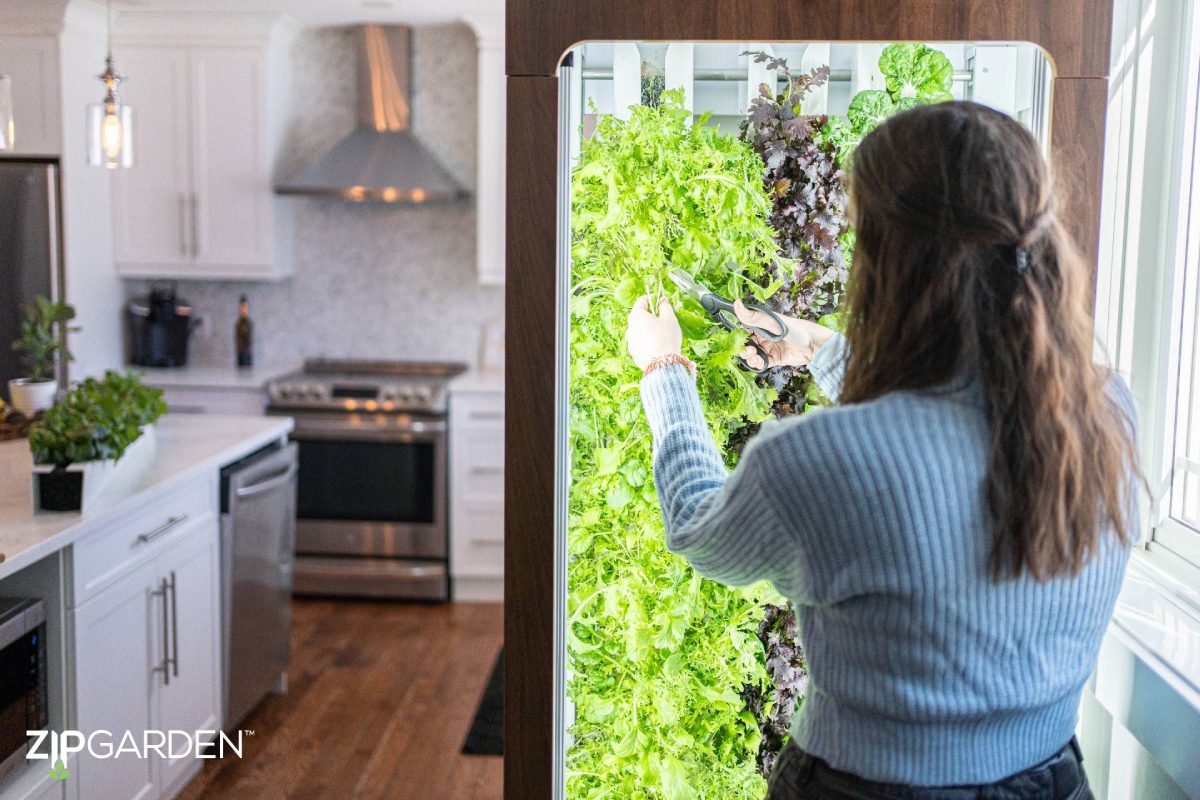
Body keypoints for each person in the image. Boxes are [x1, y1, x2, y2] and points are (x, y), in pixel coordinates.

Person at [625, 101, 1139, 800]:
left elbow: (698, 528)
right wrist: (816, 348)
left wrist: (664, 375)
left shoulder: (812, 461)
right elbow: (949, 433)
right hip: (1052, 780)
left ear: (886, 262)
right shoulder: (1110, 416)